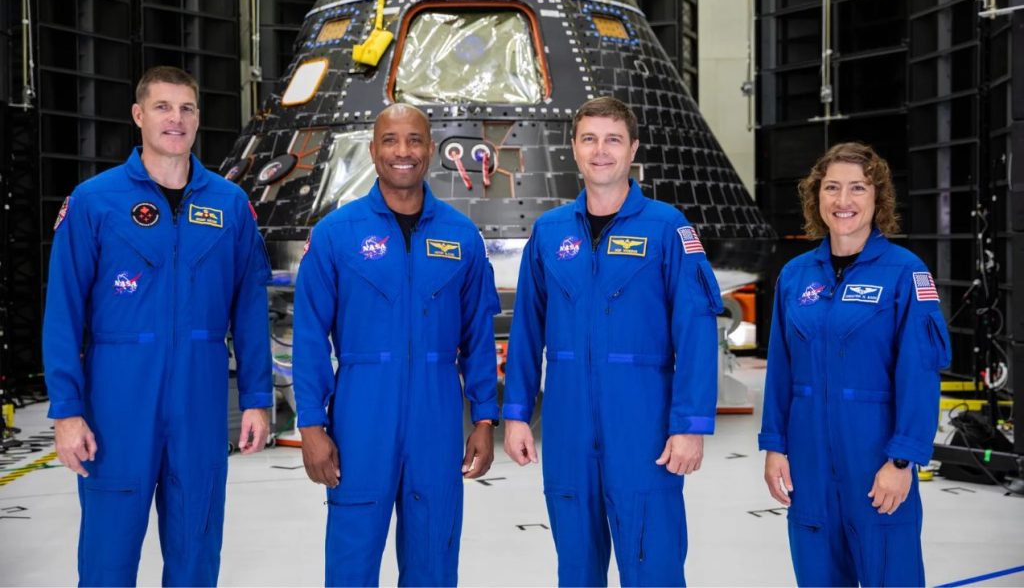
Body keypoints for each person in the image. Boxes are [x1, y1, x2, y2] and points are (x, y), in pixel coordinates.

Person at [42, 65, 273, 586]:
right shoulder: (94, 202)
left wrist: (257, 398)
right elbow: (63, 313)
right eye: (163, 107)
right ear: (138, 115)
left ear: (198, 118)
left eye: (186, 108)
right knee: (107, 559)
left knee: (196, 554)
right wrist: (67, 411)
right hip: (117, 405)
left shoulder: (230, 206)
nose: (176, 119)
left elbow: (249, 311)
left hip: (200, 403)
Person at [502, 96, 723, 587]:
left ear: (633, 149)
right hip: (567, 428)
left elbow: (695, 330)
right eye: (589, 139)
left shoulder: (667, 228)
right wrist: (516, 413)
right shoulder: (548, 233)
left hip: (644, 428)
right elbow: (527, 330)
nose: (600, 151)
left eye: (613, 140)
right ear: (574, 149)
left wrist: (689, 425)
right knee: (576, 569)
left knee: (653, 565)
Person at [291, 103, 500, 587]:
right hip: (361, 415)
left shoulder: (461, 236)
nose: (402, 151)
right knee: (352, 560)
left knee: (434, 557)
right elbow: (309, 336)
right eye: (390, 140)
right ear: (373, 150)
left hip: (437, 415)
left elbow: (478, 336)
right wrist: (311, 425)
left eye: (414, 140)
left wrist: (484, 418)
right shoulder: (335, 234)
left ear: (431, 149)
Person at [758, 142, 951, 586]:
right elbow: (781, 371)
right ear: (816, 196)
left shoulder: (905, 273)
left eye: (858, 188)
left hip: (875, 463)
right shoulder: (795, 276)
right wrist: (775, 446)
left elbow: (920, 375)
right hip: (808, 466)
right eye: (831, 188)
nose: (843, 200)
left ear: (878, 197)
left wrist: (902, 461)